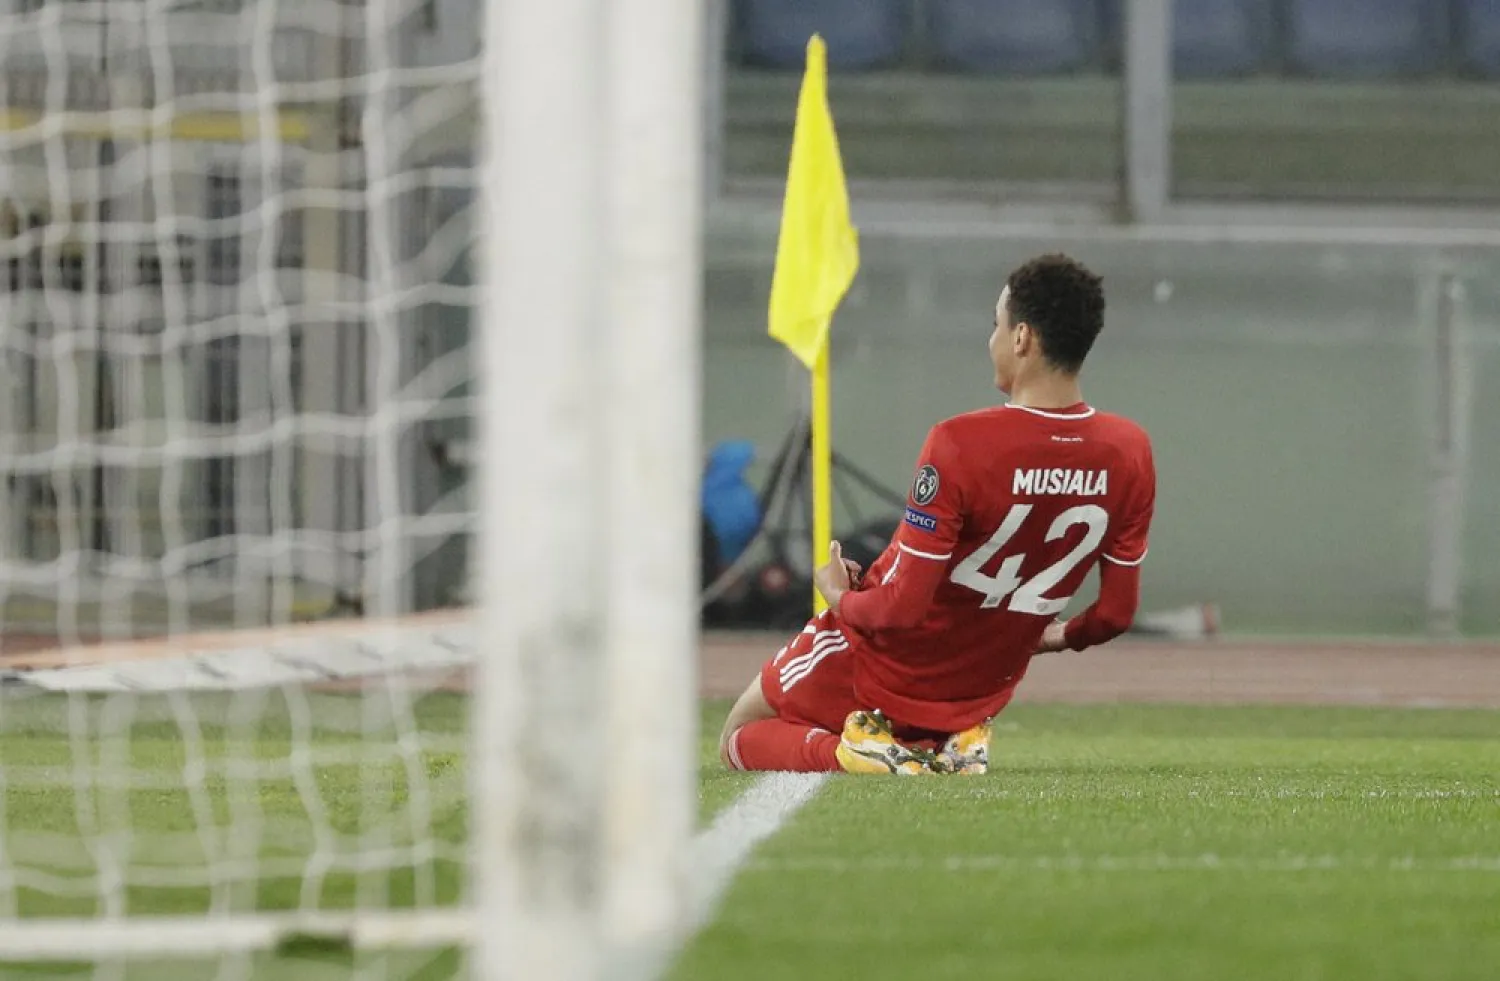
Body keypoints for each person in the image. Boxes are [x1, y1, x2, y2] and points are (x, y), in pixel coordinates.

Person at [718, 253, 1156, 775]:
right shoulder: (1130, 450)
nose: (991, 340)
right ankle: (945, 743)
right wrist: (1049, 636)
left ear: (1021, 339)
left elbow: (899, 612)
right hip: (976, 690)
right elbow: (1114, 615)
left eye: (996, 325)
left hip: (881, 666)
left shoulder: (961, 442)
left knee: (738, 737)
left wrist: (837, 594)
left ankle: (851, 751)